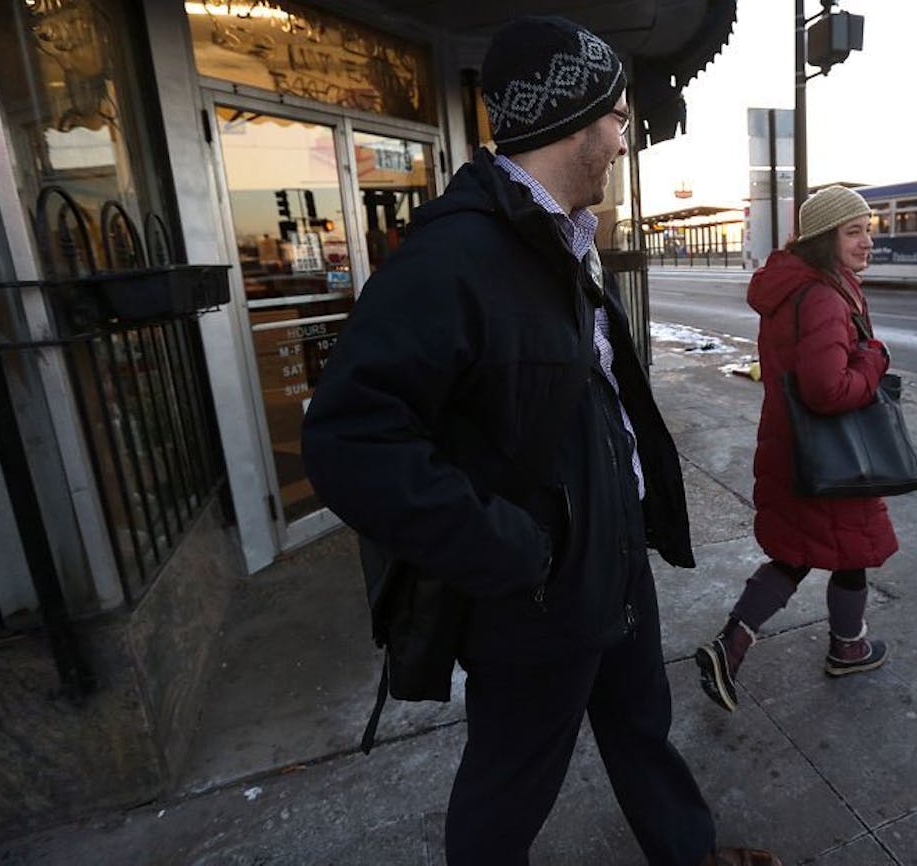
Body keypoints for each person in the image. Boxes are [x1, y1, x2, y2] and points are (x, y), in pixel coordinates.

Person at [301, 16, 779, 866]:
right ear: (576, 122)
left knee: (642, 730)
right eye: (621, 118)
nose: (625, 141)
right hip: (538, 597)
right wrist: (513, 550)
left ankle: (690, 855)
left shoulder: (557, 240)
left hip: (613, 558)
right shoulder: (452, 259)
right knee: (510, 781)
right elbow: (348, 442)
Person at [694, 186, 897, 713]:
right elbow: (826, 390)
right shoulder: (827, 296)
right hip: (833, 451)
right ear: (824, 240)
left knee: (801, 551)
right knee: (847, 548)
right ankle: (846, 646)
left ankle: (732, 643)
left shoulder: (794, 287)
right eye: (853, 232)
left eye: (867, 229)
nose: (866, 242)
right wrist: (875, 360)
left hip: (795, 445)